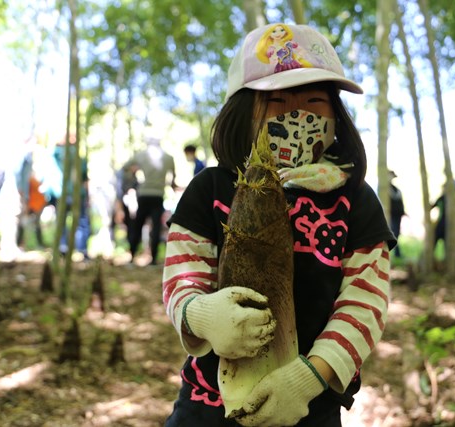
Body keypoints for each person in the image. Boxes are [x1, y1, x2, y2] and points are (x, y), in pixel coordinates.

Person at [162, 23, 396, 426]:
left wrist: (310, 377)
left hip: (306, 404)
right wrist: (199, 315)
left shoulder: (355, 201)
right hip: (207, 405)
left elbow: (365, 300)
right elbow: (181, 278)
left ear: (336, 113)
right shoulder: (211, 189)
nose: (297, 111)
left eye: (314, 98)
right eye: (277, 99)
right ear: (244, 109)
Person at [124, 136, 176, 266]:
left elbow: (125, 167)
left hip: (143, 194)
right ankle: (153, 259)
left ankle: (132, 256)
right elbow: (173, 179)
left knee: (138, 225)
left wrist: (133, 177)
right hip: (158, 195)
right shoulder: (168, 158)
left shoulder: (141, 155)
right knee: (156, 227)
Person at [388, 170, 405, 258]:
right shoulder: (383, 188)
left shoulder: (396, 189)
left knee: (396, 233)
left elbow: (400, 202)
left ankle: (397, 253)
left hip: (397, 215)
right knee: (392, 232)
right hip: (389, 215)